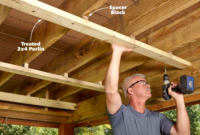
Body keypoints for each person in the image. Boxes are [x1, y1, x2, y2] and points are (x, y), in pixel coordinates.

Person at [105, 44, 190, 135]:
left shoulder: (157, 118)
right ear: (130, 90)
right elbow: (111, 92)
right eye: (142, 83)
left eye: (147, 83)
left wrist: (179, 99)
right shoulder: (120, 114)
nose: (148, 85)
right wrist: (117, 52)